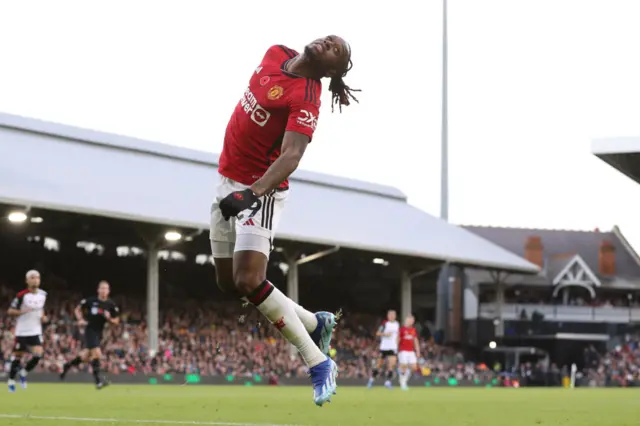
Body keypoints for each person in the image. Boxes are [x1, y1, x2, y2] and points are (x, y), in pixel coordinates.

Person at [210, 35, 358, 406]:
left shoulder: (307, 96)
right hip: (226, 179)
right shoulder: (275, 53)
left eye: (336, 50)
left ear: (331, 71)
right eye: (329, 38)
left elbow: (291, 155)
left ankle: (318, 361)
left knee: (249, 279)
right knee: (230, 284)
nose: (328, 42)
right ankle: (314, 322)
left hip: (262, 190)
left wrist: (253, 193)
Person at [60, 281, 120, 389]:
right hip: (90, 329)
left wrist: (109, 318)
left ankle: (67, 365)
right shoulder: (91, 301)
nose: (103, 290)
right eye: (102, 288)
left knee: (85, 356)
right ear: (98, 290)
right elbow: (77, 309)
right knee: (97, 353)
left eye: (106, 289)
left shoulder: (111, 304)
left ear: (108, 291)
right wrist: (80, 319)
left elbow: (116, 321)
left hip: (100, 332)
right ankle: (98, 382)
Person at [7, 270, 47, 392]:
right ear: (27, 280)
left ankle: (24, 373)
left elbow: (41, 309)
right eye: (32, 278)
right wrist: (22, 312)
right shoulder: (21, 295)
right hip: (22, 331)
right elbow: (10, 311)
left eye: (37, 278)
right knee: (18, 357)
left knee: (38, 355)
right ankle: (11, 380)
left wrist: (43, 317)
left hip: (35, 330)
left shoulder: (43, 294)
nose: (35, 280)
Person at [368, 310, 400, 389]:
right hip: (384, 347)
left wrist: (397, 342)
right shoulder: (385, 324)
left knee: (391, 364)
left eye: (393, 315)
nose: (392, 316)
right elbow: (378, 333)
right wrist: (385, 334)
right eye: (390, 315)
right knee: (379, 365)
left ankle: (388, 382)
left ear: (395, 316)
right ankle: (371, 380)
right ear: (388, 316)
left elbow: (398, 334)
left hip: (393, 347)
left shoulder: (397, 324)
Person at [397, 315, 420, 390]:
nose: (412, 322)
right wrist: (395, 348)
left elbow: (415, 340)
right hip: (403, 350)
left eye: (413, 321)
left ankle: (403, 380)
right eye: (411, 320)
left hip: (411, 351)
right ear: (407, 321)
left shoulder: (413, 330)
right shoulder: (401, 329)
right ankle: (403, 383)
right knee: (404, 366)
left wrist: (418, 350)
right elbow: (398, 339)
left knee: (414, 367)